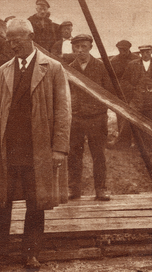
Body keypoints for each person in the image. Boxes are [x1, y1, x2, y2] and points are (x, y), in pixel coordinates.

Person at [0, 18, 71, 270]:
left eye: (16, 40)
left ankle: (31, 254)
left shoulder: (52, 68)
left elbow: (63, 112)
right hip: (7, 149)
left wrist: (59, 148)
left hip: (37, 150)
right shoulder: (4, 70)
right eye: (9, 40)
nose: (12, 45)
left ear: (30, 37)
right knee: (0, 202)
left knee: (36, 202)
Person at [68, 34, 113, 201]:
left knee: (98, 155)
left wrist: (98, 109)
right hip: (76, 118)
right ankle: (74, 189)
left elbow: (109, 93)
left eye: (84, 47)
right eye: (77, 47)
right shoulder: (69, 68)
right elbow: (65, 93)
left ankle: (101, 189)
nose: (80, 51)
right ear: (73, 48)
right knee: (73, 154)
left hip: (97, 118)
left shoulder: (100, 67)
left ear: (90, 47)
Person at [108, 40, 140, 149]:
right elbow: (111, 79)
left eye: (124, 50)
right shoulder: (114, 61)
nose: (122, 52)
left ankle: (139, 142)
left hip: (136, 93)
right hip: (121, 94)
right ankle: (123, 142)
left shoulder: (137, 59)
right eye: (120, 49)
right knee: (122, 117)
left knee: (139, 118)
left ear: (129, 49)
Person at [121, 45, 152, 152]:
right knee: (130, 118)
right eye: (143, 52)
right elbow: (124, 81)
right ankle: (126, 142)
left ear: (151, 51)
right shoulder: (132, 64)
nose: (145, 54)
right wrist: (134, 89)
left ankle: (148, 144)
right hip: (137, 99)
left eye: (147, 52)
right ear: (140, 53)